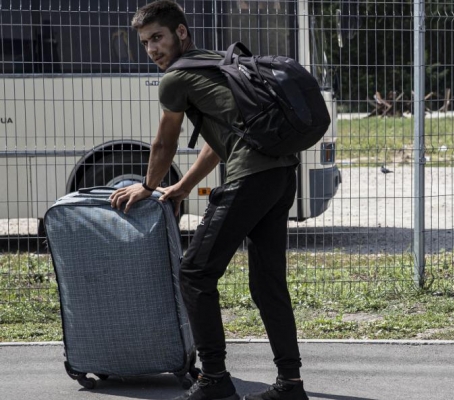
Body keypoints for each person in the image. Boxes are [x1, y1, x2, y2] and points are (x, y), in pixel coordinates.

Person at [110, 2, 308, 399]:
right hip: (282, 173)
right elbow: (219, 144)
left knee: (196, 273)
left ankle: (214, 379)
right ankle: (290, 384)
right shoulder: (217, 63)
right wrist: (183, 187)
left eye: (158, 38)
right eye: (145, 42)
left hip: (251, 178)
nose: (152, 49)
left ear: (181, 32)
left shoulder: (176, 79)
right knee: (268, 283)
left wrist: (148, 186)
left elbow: (164, 141)